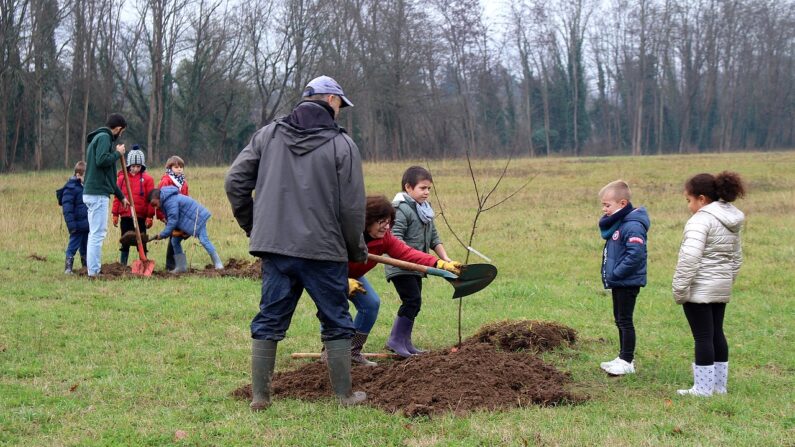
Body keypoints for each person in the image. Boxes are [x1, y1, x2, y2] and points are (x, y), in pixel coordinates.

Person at [225, 75, 367, 410]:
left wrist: (255, 226)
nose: (340, 112)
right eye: (340, 106)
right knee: (336, 320)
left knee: (269, 318)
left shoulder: (268, 135)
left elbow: (235, 182)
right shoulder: (343, 145)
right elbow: (351, 207)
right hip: (324, 250)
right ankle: (345, 397)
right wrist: (355, 250)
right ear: (331, 101)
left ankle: (260, 398)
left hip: (276, 248)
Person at [325, 195, 462, 366]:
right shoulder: (346, 234)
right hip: (328, 275)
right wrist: (342, 282)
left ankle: (352, 351)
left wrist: (439, 263)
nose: (386, 227)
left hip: (353, 275)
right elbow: (325, 262)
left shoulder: (385, 238)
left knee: (371, 304)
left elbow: (407, 253)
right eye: (381, 222)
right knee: (334, 308)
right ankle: (329, 353)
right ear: (367, 220)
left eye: (389, 222)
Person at [673, 171, 745, 397]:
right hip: (720, 287)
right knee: (717, 334)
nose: (688, 206)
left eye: (689, 200)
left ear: (702, 199)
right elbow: (736, 258)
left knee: (702, 336)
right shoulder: (730, 220)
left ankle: (703, 389)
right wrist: (726, 281)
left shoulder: (700, 220)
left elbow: (689, 258)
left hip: (700, 288)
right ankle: (718, 387)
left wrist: (680, 289)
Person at [385, 166, 460, 357]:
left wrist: (446, 259)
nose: (426, 192)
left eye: (429, 189)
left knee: (415, 303)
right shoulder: (401, 209)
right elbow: (395, 239)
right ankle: (395, 341)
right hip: (401, 266)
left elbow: (434, 236)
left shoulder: (424, 209)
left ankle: (405, 342)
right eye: (422, 188)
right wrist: (407, 258)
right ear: (408, 187)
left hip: (418, 267)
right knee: (412, 300)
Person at [597, 180, 650, 376]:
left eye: (607, 205)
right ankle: (622, 357)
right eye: (603, 205)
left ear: (622, 204)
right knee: (619, 319)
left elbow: (634, 254)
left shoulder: (633, 226)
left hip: (627, 282)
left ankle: (627, 360)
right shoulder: (619, 223)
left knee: (625, 320)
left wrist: (616, 273)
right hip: (619, 282)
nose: (604, 209)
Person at [82, 113, 130, 278]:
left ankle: (93, 270)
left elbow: (108, 176)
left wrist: (121, 196)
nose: (120, 135)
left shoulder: (100, 138)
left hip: (93, 192)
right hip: (97, 195)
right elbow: (102, 160)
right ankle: (94, 272)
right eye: (121, 132)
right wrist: (118, 154)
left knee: (94, 233)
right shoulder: (104, 138)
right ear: (117, 129)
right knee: (98, 233)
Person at [147, 187, 224, 272]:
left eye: (155, 204)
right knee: (174, 242)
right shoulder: (166, 201)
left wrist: (163, 234)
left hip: (197, 218)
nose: (156, 208)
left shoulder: (170, 202)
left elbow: (173, 220)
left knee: (204, 240)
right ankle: (181, 267)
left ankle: (218, 264)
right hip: (188, 221)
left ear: (159, 198)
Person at [112, 146, 155, 266]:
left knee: (141, 241)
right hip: (126, 216)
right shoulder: (121, 179)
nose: (135, 169)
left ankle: (144, 263)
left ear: (142, 166)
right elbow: (117, 197)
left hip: (140, 216)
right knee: (125, 241)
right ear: (129, 166)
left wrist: (150, 216)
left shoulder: (148, 179)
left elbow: (151, 200)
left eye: (138, 166)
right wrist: (115, 214)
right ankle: (122, 265)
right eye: (133, 166)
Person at [157, 155, 189, 270]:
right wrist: (161, 216)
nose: (179, 169)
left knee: (177, 239)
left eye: (181, 167)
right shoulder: (166, 181)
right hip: (170, 215)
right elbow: (159, 200)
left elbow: (186, 199)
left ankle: (179, 265)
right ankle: (172, 265)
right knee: (174, 239)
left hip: (181, 215)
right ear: (170, 168)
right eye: (176, 167)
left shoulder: (183, 183)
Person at [60, 161, 89, 274]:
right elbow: (67, 210)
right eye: (85, 176)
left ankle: (85, 266)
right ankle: (68, 267)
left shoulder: (85, 187)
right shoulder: (70, 189)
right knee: (73, 246)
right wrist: (72, 226)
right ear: (78, 175)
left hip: (86, 224)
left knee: (85, 246)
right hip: (76, 225)